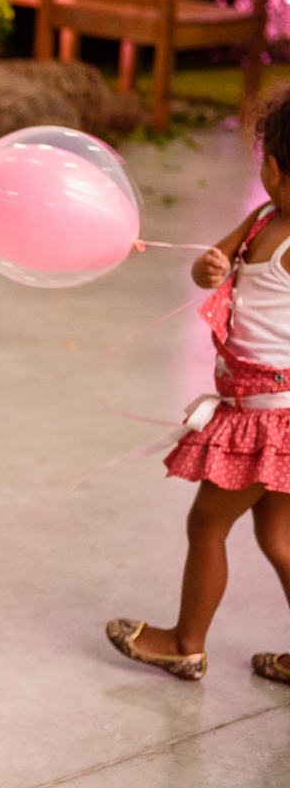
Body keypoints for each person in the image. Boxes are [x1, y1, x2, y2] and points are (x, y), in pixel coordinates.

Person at [106, 87, 290, 686]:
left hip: (267, 416)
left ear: (273, 166)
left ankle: (185, 644)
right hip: (259, 409)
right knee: (279, 537)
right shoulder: (262, 220)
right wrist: (209, 267)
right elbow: (209, 262)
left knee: (207, 524)